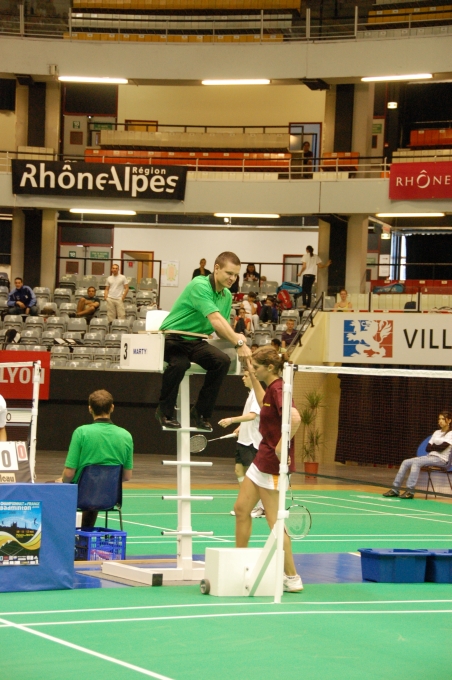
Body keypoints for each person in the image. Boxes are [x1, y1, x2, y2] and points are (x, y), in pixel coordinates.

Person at [156, 251, 252, 431]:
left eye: (235, 275)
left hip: (196, 341)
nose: (232, 278)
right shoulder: (199, 285)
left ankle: (200, 412)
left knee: (222, 361)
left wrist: (237, 336)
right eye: (229, 273)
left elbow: (220, 329)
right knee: (180, 364)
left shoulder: (226, 295)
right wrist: (238, 343)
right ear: (216, 268)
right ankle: (164, 412)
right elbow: (215, 319)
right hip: (172, 339)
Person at [234, 347, 303, 592]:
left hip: (273, 465)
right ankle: (239, 564)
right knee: (241, 509)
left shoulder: (280, 388)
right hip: (261, 459)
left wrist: (284, 443)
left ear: (270, 367)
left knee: (275, 524)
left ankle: (292, 577)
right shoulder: (271, 389)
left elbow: (294, 418)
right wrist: (252, 374)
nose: (252, 370)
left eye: (256, 367)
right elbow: (264, 403)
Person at [62, 390, 133, 527]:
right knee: (94, 492)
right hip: (110, 498)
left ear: (90, 409)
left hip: (82, 496)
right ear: (112, 407)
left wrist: (63, 481)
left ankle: (65, 536)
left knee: (53, 486)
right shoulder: (126, 435)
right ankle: (86, 534)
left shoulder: (81, 433)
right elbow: (127, 476)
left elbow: (69, 474)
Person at [218, 370, 264, 518]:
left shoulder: (257, 395)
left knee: (253, 475)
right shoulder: (250, 393)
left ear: (254, 378)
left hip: (252, 441)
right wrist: (240, 427)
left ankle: (261, 507)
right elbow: (251, 417)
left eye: (245, 376)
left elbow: (252, 416)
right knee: (239, 471)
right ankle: (247, 504)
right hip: (243, 439)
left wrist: (231, 420)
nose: (243, 378)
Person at [383, 411, 452, 499]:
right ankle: (395, 489)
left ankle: (410, 491)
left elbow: (442, 448)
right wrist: (436, 447)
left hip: (441, 460)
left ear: (449, 420)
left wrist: (434, 446)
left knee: (416, 463)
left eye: (443, 419)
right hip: (430, 457)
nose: (440, 421)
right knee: (405, 462)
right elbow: (427, 448)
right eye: (439, 419)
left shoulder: (450, 433)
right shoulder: (436, 432)